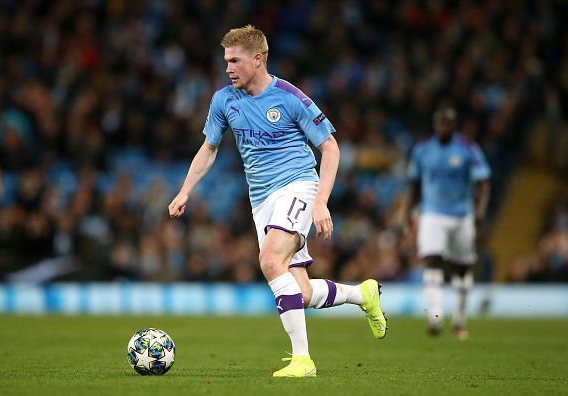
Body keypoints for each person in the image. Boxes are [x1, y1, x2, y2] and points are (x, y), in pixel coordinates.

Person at [168, 25, 386, 378]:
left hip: (298, 186)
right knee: (298, 291)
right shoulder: (224, 99)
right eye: (225, 61)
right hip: (262, 203)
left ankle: (303, 360)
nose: (228, 68)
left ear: (257, 59)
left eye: (235, 60)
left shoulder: (290, 98)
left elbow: (330, 147)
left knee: (270, 260)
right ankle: (362, 295)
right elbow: (208, 149)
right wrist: (184, 191)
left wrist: (321, 202)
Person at [402, 102, 491, 340]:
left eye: (448, 122)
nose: (443, 126)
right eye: (440, 122)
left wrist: (479, 213)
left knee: (461, 268)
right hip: (432, 213)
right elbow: (414, 185)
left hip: (462, 216)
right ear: (435, 124)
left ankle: (460, 320)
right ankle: (435, 317)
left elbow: (483, 183)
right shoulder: (422, 150)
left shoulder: (467, 148)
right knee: (432, 260)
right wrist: (405, 213)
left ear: (454, 124)